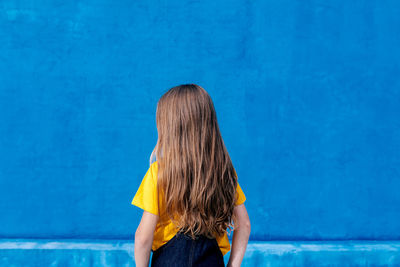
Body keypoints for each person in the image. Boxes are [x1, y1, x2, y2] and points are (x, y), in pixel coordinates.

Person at [131, 84, 251, 267]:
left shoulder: (159, 173)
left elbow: (142, 238)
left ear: (170, 129)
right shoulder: (223, 171)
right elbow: (244, 224)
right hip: (211, 259)